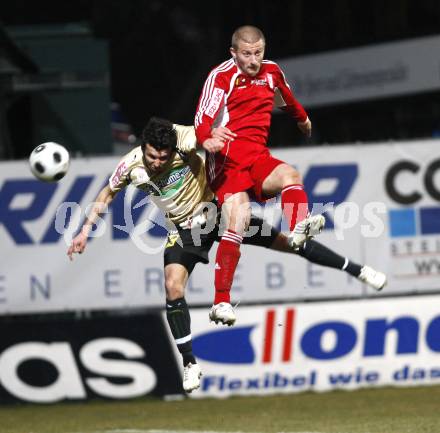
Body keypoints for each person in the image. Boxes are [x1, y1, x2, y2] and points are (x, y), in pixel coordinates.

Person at [67, 117, 386, 393]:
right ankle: (190, 363)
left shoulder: (181, 138)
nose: (158, 162)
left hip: (219, 212)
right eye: (153, 156)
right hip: (184, 231)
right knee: (172, 285)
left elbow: (205, 135)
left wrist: (215, 137)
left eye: (164, 157)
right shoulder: (131, 165)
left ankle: (358, 270)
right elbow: (107, 193)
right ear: (144, 147)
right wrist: (84, 231)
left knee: (291, 244)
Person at [194, 25, 324, 326]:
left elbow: (287, 98)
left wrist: (303, 119)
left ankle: (297, 228)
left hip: (256, 157)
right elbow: (202, 117)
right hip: (226, 161)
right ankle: (221, 302)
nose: (253, 60)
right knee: (237, 221)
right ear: (233, 52)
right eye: (247, 54)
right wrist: (206, 137)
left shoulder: (271, 71)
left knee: (291, 175)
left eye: (258, 53)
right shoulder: (222, 76)